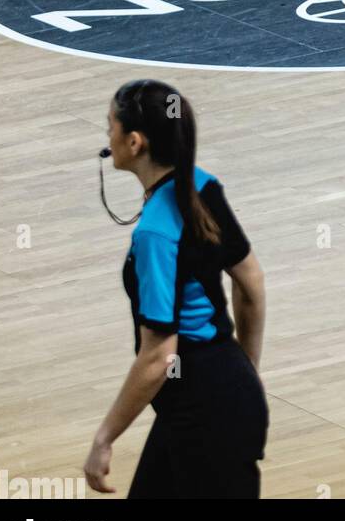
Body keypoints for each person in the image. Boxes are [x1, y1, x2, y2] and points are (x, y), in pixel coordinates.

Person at [84, 81, 268, 499]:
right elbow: (251, 283)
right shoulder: (203, 186)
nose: (107, 138)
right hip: (215, 400)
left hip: (204, 417)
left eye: (109, 127)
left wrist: (104, 438)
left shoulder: (154, 236)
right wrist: (246, 371)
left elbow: (159, 357)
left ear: (134, 142)